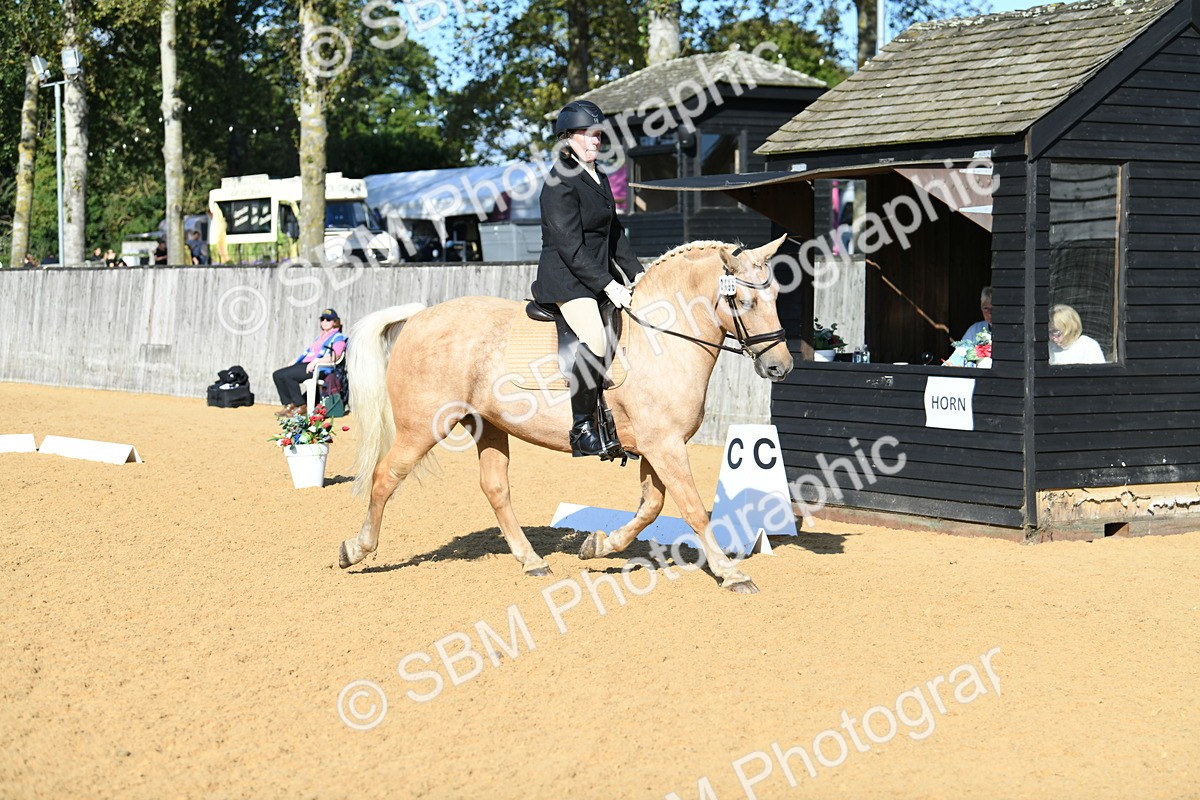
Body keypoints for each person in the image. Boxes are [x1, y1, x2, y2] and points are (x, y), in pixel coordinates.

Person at [531, 99, 644, 459]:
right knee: (595, 335)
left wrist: (638, 273)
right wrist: (607, 284)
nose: (597, 140)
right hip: (567, 279)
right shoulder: (558, 180)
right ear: (568, 138)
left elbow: (613, 234)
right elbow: (568, 244)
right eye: (590, 134)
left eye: (599, 135)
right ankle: (582, 428)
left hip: (596, 274)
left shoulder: (599, 176)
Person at [271, 308, 348, 417]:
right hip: (307, 365)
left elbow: (336, 356)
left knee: (289, 376)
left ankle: (301, 406)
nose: (325, 322)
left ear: (335, 322)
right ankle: (289, 405)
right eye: (323, 319)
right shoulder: (320, 337)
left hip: (321, 369)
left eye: (328, 320)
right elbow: (310, 352)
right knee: (278, 375)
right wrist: (296, 359)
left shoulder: (338, 337)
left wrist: (317, 361)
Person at [946, 286, 992, 367]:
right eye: (986, 309)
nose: (990, 313)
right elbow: (958, 355)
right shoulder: (975, 329)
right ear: (981, 308)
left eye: (994, 308)